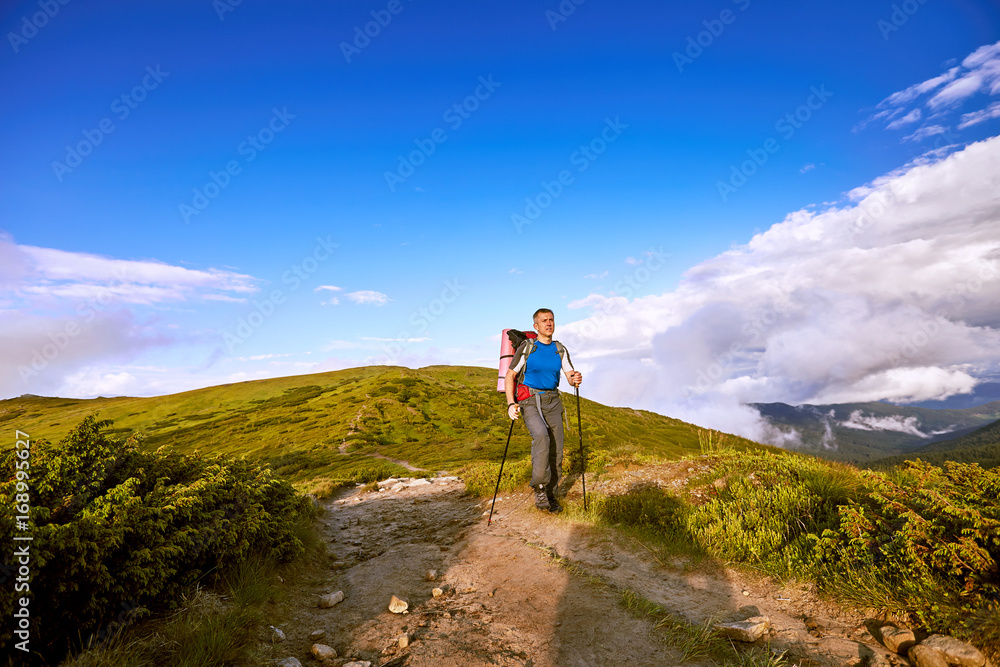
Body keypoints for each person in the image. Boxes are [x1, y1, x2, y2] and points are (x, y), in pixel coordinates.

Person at [504, 308, 583, 513]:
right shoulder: (528, 348)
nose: (549, 323)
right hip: (530, 400)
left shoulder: (560, 349)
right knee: (541, 436)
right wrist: (511, 403)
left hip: (553, 401)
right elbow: (510, 375)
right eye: (544, 321)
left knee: (556, 448)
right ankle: (539, 487)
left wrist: (575, 379)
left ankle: (551, 494)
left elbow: (569, 376)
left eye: (551, 320)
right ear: (535, 326)